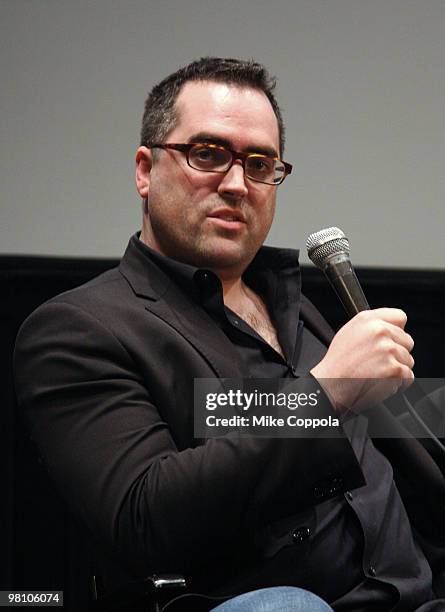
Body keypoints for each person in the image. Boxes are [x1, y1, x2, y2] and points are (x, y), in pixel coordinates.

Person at [14, 57, 445, 611]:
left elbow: (409, 464)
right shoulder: (79, 330)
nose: (239, 184)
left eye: (261, 163)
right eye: (208, 154)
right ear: (145, 171)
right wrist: (326, 394)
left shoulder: (301, 309)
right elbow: (145, 516)